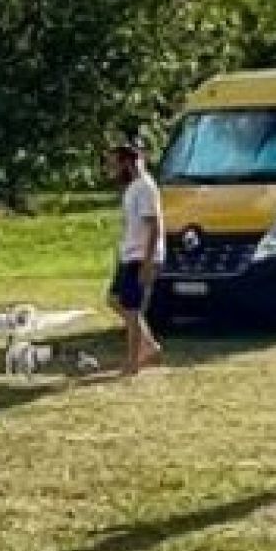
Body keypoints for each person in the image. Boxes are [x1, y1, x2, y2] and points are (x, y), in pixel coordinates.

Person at [106, 136, 164, 374]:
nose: (112, 169)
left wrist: (148, 262)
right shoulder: (132, 187)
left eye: (114, 163)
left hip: (141, 256)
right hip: (130, 253)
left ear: (127, 162)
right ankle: (149, 345)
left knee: (131, 309)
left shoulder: (146, 187)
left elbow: (155, 226)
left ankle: (133, 362)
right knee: (114, 300)